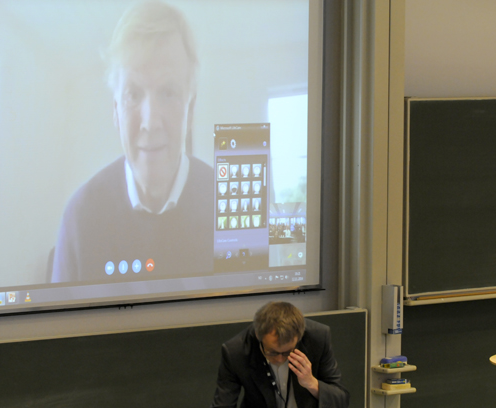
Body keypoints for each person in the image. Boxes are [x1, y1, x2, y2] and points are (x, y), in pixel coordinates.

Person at [51, 1, 213, 283]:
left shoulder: (229, 208)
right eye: (133, 94)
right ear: (115, 110)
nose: (150, 122)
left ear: (191, 108)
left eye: (168, 92)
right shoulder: (80, 217)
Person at [210, 302, 350, 408]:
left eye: (287, 352)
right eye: (272, 352)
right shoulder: (237, 351)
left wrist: (311, 383)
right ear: (259, 335)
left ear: (299, 337)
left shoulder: (317, 338)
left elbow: (341, 399)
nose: (279, 359)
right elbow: (223, 404)